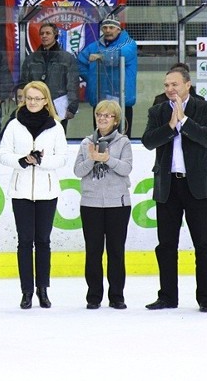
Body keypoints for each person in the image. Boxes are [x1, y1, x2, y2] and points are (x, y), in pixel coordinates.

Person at [141, 66, 207, 313]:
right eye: (166, 85)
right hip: (168, 186)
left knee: (203, 244)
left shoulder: (203, 108)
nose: (170, 89)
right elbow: (148, 141)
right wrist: (170, 126)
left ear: (187, 85)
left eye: (174, 84)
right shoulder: (158, 111)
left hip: (197, 186)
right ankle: (167, 296)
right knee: (166, 245)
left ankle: (206, 297)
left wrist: (183, 121)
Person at [0, 81, 68, 309]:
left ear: (46, 100)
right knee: (25, 241)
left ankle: (43, 290)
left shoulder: (56, 127)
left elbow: (62, 158)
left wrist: (41, 161)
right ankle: (26, 291)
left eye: (38, 98)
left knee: (43, 241)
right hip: (21, 192)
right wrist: (21, 160)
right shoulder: (14, 125)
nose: (33, 102)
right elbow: (3, 154)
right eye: (29, 98)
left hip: (47, 192)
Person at [73, 100, 132, 310]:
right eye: (99, 114)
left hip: (118, 204)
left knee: (116, 251)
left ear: (115, 120)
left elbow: (126, 168)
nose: (102, 118)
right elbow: (78, 171)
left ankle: (116, 295)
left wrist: (107, 159)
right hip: (91, 204)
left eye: (107, 116)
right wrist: (92, 159)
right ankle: (94, 295)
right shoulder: (85, 143)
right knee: (93, 251)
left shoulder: (123, 143)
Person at [77, 18, 137, 137]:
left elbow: (120, 55)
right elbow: (79, 63)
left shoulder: (129, 43)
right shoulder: (94, 46)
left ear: (119, 29)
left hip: (122, 101)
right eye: (105, 27)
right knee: (100, 139)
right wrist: (92, 78)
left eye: (111, 27)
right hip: (100, 100)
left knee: (122, 140)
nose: (108, 30)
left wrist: (100, 56)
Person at [21, 23, 80, 130]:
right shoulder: (31, 59)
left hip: (58, 106)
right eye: (42, 33)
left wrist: (72, 107)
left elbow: (73, 84)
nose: (44, 36)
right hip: (36, 105)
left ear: (55, 35)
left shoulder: (67, 58)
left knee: (57, 138)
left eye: (48, 33)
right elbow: (24, 84)